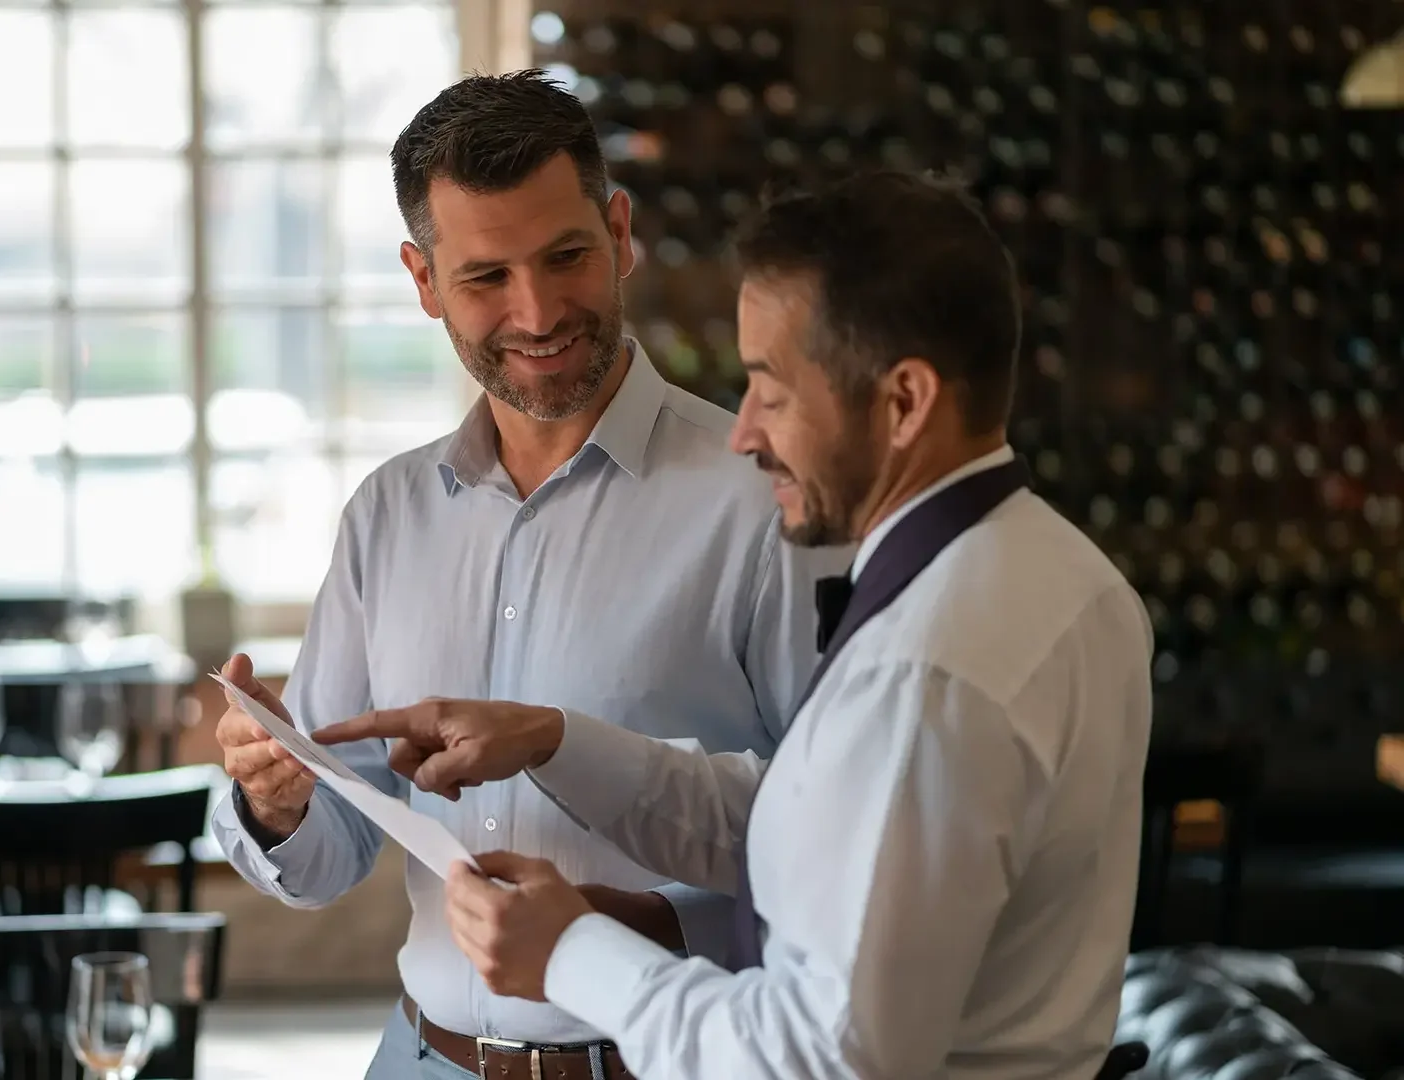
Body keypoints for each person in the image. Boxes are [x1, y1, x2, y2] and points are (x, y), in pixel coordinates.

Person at [316, 171, 1157, 1080]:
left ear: (904, 402)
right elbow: (815, 825)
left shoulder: (923, 671)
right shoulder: (1065, 573)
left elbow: (811, 1059)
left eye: (771, 390)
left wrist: (572, 955)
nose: (744, 434)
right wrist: (557, 743)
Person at [209, 70, 849, 1080]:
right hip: (418, 1060)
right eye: (485, 278)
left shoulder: (765, 501)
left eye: (565, 257)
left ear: (619, 232)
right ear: (423, 281)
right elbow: (329, 852)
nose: (538, 311)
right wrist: (273, 802)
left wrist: (646, 925)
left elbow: (843, 819)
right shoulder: (386, 515)